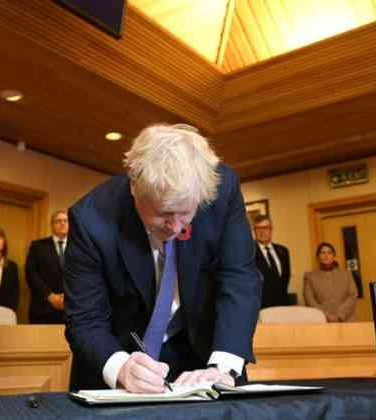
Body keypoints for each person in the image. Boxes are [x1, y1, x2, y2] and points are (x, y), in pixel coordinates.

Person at [64, 123, 260, 393]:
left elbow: (239, 277)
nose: (178, 227)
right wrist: (121, 367)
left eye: (186, 213)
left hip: (201, 355)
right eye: (165, 214)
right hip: (121, 357)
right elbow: (85, 319)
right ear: (135, 186)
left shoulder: (221, 190)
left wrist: (223, 367)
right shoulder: (91, 218)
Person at [25, 211, 68, 324]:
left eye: (65, 221)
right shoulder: (38, 246)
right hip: (43, 310)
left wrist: (68, 297)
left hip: (71, 311)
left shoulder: (78, 248)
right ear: (52, 225)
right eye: (58, 221)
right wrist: (50, 296)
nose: (62, 223)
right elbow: (31, 274)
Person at [303, 242, 358, 322]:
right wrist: (326, 316)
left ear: (334, 256)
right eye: (322, 253)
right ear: (318, 257)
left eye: (329, 252)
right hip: (321, 321)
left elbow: (353, 296)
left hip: (346, 320)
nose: (326, 256)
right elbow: (310, 300)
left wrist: (340, 315)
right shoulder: (310, 276)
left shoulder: (346, 275)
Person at [252, 214, 291, 308]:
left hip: (282, 305)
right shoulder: (248, 252)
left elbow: (286, 277)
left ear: (271, 229)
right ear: (254, 231)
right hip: (259, 306)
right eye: (258, 228)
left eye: (265, 227)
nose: (262, 231)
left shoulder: (283, 251)